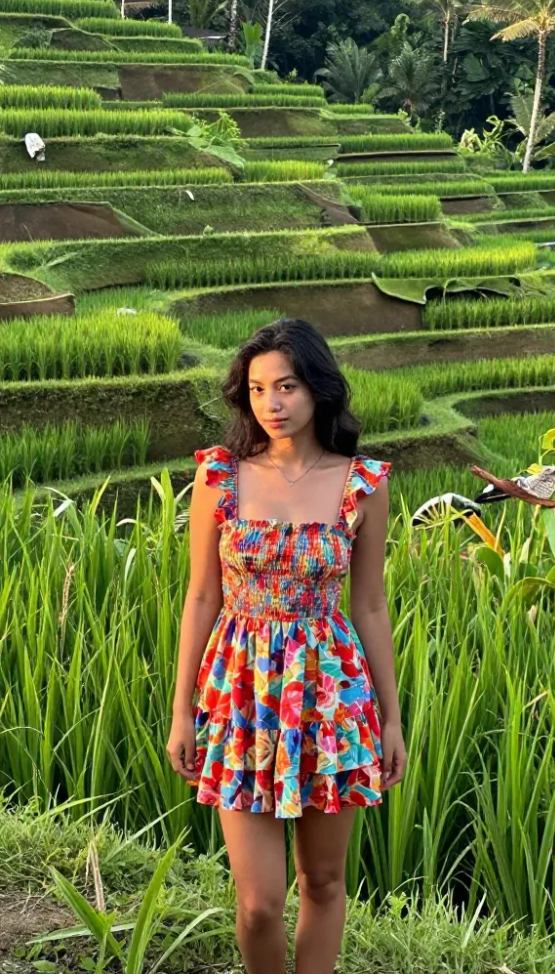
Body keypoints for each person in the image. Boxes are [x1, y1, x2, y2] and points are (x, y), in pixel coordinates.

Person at [167, 318, 407, 974]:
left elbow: (370, 605)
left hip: (330, 700)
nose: (272, 403)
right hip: (242, 696)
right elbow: (200, 599)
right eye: (257, 389)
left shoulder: (364, 484)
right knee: (260, 904)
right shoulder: (220, 476)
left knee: (324, 883)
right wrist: (182, 710)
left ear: (318, 389)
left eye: (288, 386)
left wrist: (390, 719)